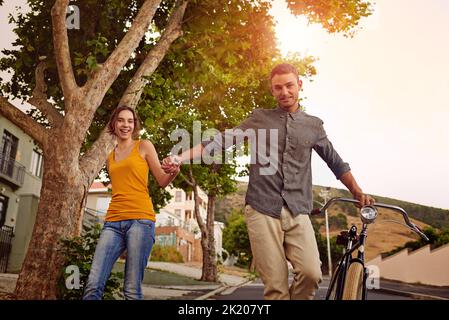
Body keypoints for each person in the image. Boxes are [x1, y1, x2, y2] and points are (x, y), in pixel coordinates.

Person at [162, 63, 375, 300]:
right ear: (272, 91)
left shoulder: (314, 125)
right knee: (276, 287)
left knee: (311, 273)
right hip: (262, 209)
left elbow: (336, 162)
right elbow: (220, 141)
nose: (284, 92)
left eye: (289, 86)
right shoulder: (259, 119)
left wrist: (357, 191)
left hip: (298, 210)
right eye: (278, 88)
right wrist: (179, 157)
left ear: (299, 85)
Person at [82, 105, 179, 300]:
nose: (125, 125)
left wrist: (173, 173)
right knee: (93, 284)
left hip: (140, 221)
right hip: (113, 222)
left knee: (131, 290)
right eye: (121, 120)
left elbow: (161, 179)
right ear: (113, 124)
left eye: (130, 121)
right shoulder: (110, 157)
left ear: (134, 125)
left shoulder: (143, 146)